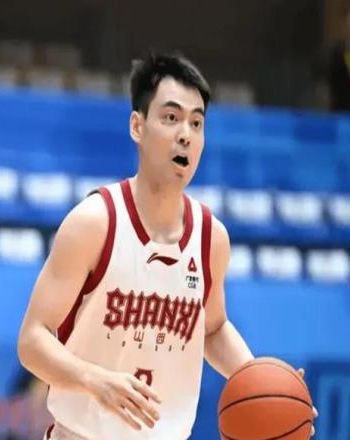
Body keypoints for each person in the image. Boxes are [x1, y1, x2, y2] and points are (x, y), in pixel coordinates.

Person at [17, 52, 316, 440]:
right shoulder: (94, 222)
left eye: (196, 123)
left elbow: (212, 329)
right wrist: (94, 380)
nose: (185, 134)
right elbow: (32, 340)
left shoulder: (211, 238)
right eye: (171, 118)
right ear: (137, 126)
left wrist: (269, 388)